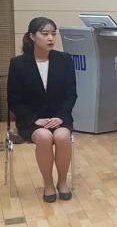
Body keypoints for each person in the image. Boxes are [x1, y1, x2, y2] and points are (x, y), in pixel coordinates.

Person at [7, 16, 78, 203]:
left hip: (59, 117)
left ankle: (62, 182)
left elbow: (71, 94)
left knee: (62, 137)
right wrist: (33, 119)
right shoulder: (18, 64)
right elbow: (14, 100)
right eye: (45, 34)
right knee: (45, 137)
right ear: (32, 36)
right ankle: (48, 183)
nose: (50, 38)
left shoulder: (64, 60)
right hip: (31, 120)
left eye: (53, 34)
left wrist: (61, 117)